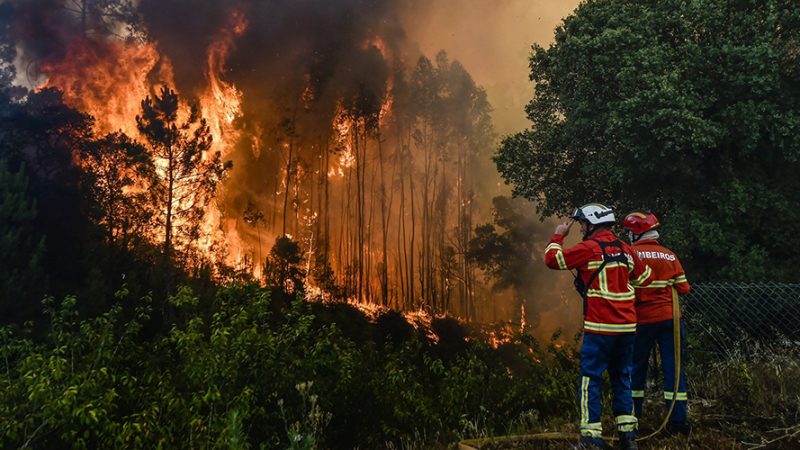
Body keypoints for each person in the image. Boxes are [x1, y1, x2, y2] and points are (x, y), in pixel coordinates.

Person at [545, 203, 654, 450]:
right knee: (622, 377)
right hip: (626, 328)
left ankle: (591, 438)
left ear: (593, 223)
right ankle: (628, 437)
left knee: (590, 379)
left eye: (583, 224)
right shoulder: (626, 250)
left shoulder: (588, 249)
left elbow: (552, 259)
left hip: (600, 328)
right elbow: (645, 278)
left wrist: (559, 235)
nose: (582, 228)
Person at [621, 211, 691, 435]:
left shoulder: (630, 254)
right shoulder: (670, 255)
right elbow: (684, 288)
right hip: (671, 321)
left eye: (629, 232)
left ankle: (632, 420)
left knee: (635, 368)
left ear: (636, 233)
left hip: (642, 321)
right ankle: (677, 421)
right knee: (674, 369)